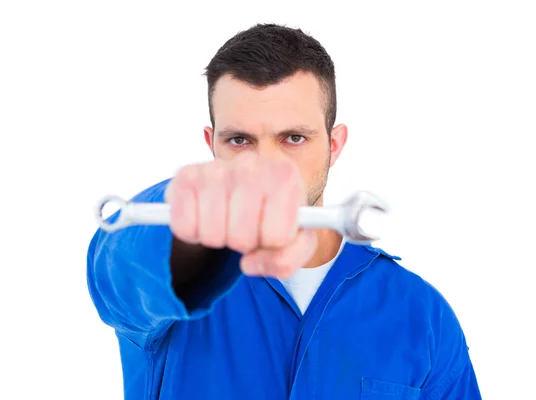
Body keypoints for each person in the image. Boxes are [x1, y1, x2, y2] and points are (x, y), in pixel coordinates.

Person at [86, 23, 481, 399]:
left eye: (294, 138)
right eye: (240, 140)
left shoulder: (422, 314)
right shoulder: (159, 300)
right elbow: (122, 267)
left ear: (334, 144)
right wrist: (191, 231)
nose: (267, 168)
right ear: (212, 144)